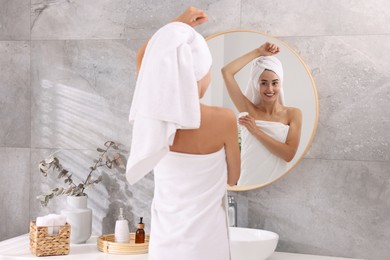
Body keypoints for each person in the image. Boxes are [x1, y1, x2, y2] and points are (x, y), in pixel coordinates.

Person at [126, 7, 240, 260]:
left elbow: (145, 58)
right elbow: (234, 176)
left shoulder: (156, 117)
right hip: (209, 245)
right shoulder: (224, 119)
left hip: (165, 246)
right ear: (202, 72)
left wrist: (177, 24)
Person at [221, 43, 302, 186]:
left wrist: (256, 131)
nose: (270, 89)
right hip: (248, 183)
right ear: (255, 84)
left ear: (280, 84)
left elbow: (288, 154)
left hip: (278, 187)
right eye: (263, 83)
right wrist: (258, 52)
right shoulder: (248, 110)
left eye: (275, 83)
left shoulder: (293, 114)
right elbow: (226, 71)